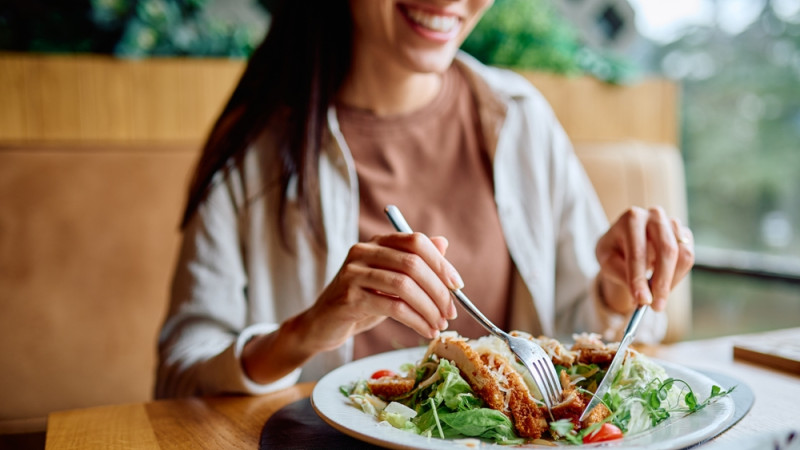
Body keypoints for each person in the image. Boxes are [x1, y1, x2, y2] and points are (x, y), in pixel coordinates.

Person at [155, 0, 695, 398]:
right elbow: (180, 372)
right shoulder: (254, 150)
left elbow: (569, 335)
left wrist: (618, 289)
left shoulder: (520, 117)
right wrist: (304, 331)